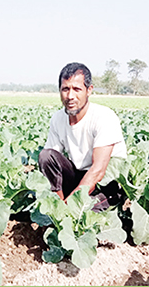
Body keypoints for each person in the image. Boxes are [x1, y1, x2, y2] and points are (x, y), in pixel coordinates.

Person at [39, 62, 127, 211]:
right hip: (79, 178)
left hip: (105, 184)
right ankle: (58, 206)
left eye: (77, 89)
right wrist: (61, 206)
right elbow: (50, 163)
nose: (70, 96)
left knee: (84, 212)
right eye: (65, 89)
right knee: (46, 156)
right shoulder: (58, 119)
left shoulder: (104, 117)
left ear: (89, 90)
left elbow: (98, 170)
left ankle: (66, 208)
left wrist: (70, 205)